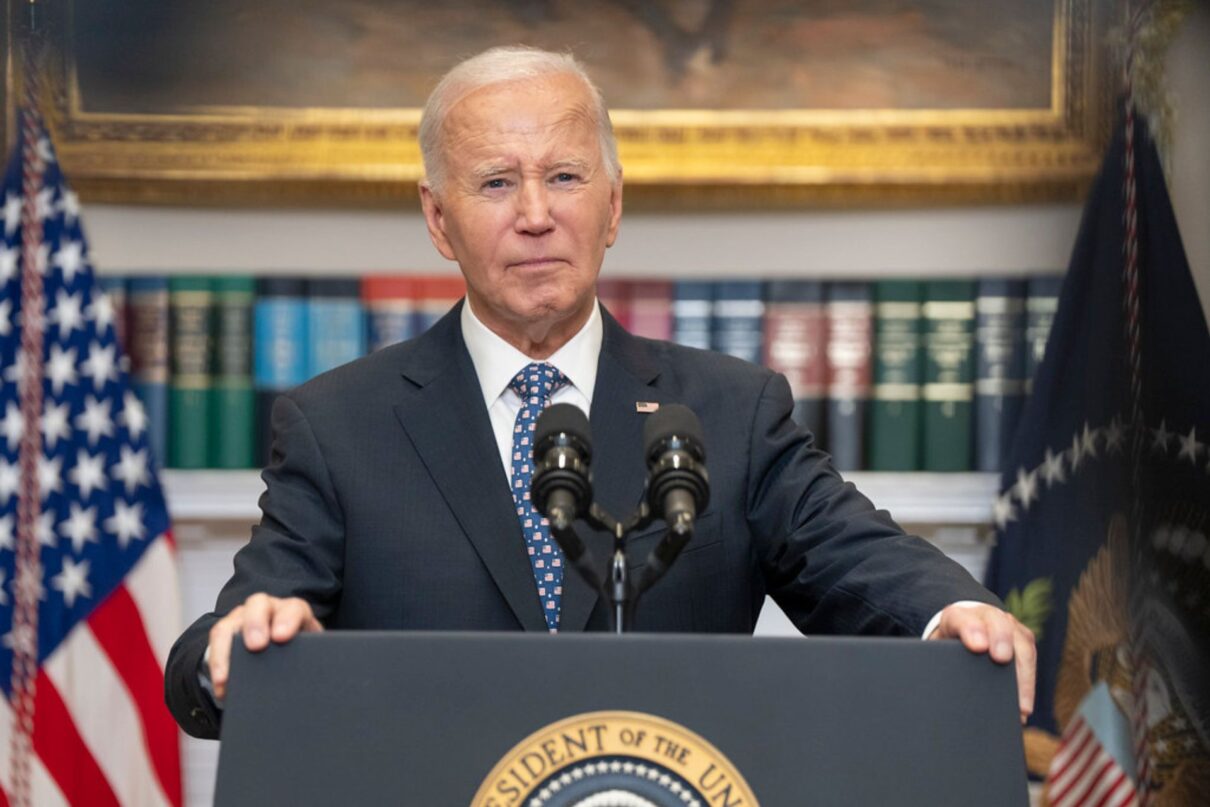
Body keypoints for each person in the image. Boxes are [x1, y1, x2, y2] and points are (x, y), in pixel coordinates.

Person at [165, 46, 1036, 739]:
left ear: (613, 207)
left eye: (567, 177)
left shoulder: (728, 412)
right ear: (439, 218)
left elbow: (854, 559)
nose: (536, 213)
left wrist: (953, 612)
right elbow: (224, 639)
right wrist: (228, 650)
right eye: (497, 182)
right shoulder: (338, 425)